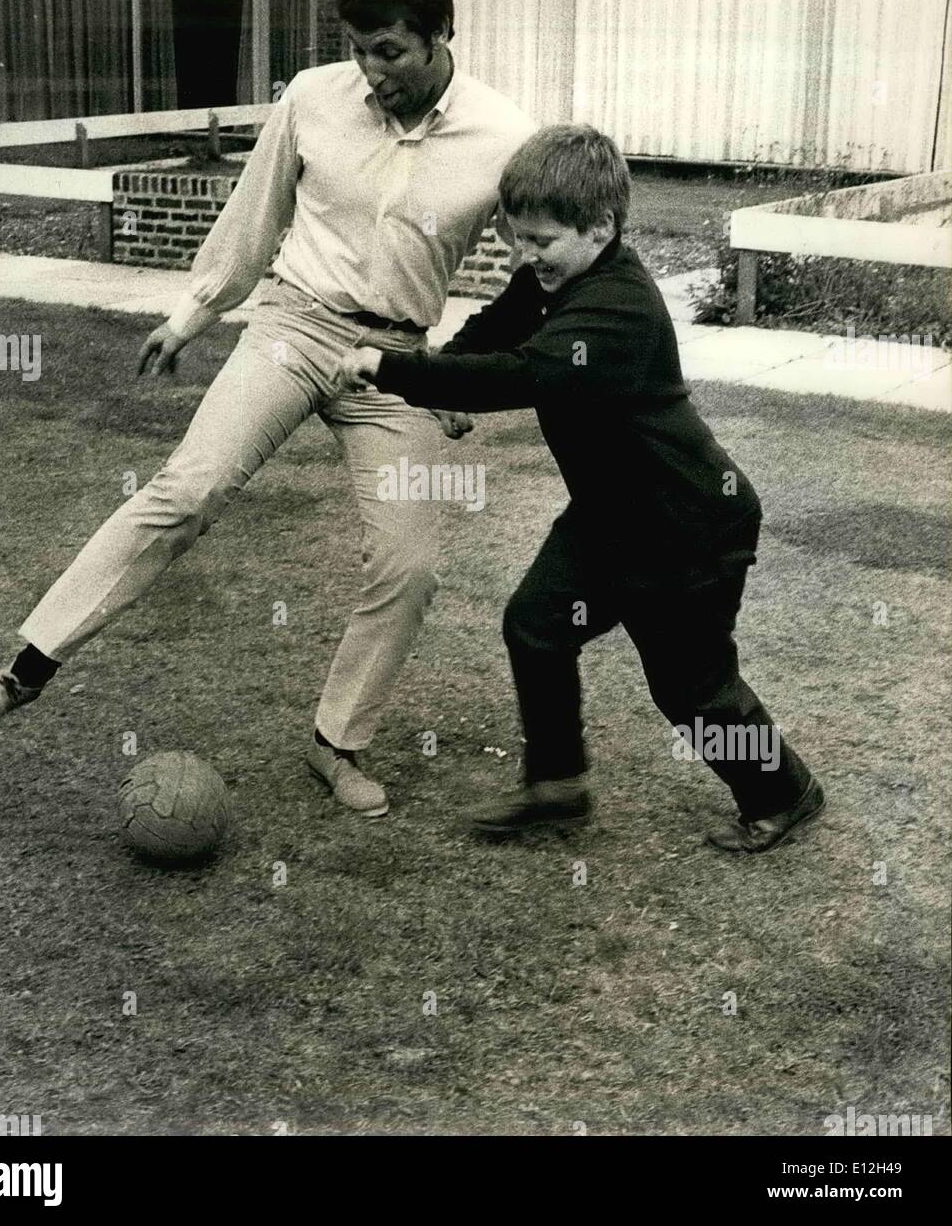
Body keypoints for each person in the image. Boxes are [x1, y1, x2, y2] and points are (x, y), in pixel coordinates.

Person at [0, 0, 536, 820]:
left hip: (397, 361)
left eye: (391, 52)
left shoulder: (504, 137)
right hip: (293, 325)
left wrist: (458, 376)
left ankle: (335, 743)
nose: (370, 72)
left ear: (442, 35)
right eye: (358, 49)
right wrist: (194, 313)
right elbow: (255, 217)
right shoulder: (312, 98)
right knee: (188, 487)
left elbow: (534, 271)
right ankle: (24, 670)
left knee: (410, 565)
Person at [337, 124, 824, 852]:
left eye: (540, 240)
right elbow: (495, 335)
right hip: (608, 517)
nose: (522, 255)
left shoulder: (618, 306)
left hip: (686, 526)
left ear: (600, 227)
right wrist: (444, 381)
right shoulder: (548, 278)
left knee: (689, 688)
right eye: (515, 237)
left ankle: (783, 792)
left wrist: (392, 367)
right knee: (535, 625)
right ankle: (557, 787)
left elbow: (526, 374)